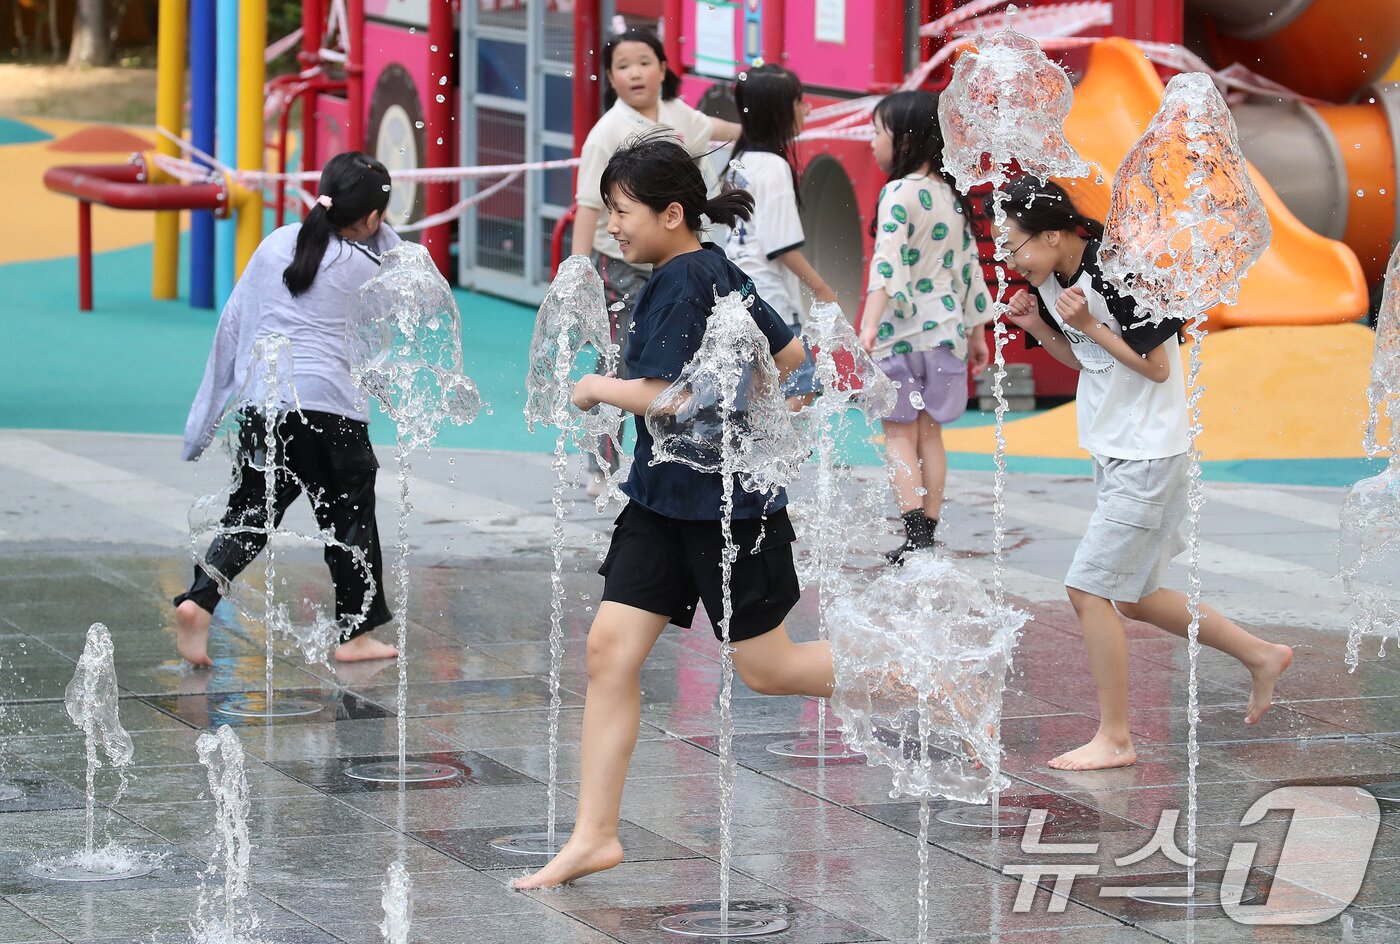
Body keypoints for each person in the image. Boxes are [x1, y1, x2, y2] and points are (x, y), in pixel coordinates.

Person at [513, 134, 837, 890]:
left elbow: (671, 394)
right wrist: (758, 413)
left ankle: (916, 673)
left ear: (670, 212)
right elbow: (796, 366)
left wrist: (595, 387)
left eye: (622, 211)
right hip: (663, 499)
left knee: (772, 669)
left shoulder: (685, 278)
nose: (612, 224)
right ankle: (594, 835)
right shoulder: (716, 267)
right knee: (609, 651)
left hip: (724, 512)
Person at [998, 175, 1293, 771]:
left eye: (1015, 245)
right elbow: (1089, 362)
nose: (1010, 259)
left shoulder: (1120, 276)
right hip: (1115, 449)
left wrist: (1088, 326)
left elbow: (1156, 368)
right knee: (1134, 597)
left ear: (1051, 235)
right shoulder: (1057, 279)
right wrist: (1040, 329)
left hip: (1150, 454)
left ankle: (1116, 737)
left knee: (1087, 590)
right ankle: (1262, 655)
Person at [173, 152, 401, 668]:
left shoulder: (277, 243)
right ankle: (356, 633)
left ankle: (200, 600)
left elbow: (232, 325)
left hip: (264, 404)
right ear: (370, 219)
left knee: (250, 514)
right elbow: (396, 270)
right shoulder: (369, 269)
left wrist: (201, 428)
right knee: (350, 520)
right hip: (331, 412)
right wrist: (378, 228)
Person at [572, 27, 742, 494]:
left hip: (671, 259)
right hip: (623, 265)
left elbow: (712, 128)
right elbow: (589, 207)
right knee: (623, 358)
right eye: (623, 66)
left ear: (664, 69)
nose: (635, 73)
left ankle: (678, 450)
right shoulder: (607, 132)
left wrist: (756, 131)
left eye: (644, 62)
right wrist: (577, 271)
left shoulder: (676, 114)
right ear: (609, 77)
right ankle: (601, 463)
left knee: (673, 354)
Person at [857, 90, 993, 563]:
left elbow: (887, 265)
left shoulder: (898, 192)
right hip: (947, 332)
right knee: (930, 435)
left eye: (878, 132)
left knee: (898, 435)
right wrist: (977, 334)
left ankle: (913, 534)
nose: (872, 142)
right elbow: (969, 269)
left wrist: (868, 327)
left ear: (907, 140)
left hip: (899, 334)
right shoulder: (952, 198)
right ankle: (927, 537)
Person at [722, 63, 837, 410]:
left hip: (736, 293)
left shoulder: (740, 160)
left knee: (755, 393)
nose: (807, 108)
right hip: (769, 299)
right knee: (798, 389)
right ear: (778, 112)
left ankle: (755, 456)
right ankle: (767, 460)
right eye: (800, 101)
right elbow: (780, 245)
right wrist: (821, 288)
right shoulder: (774, 167)